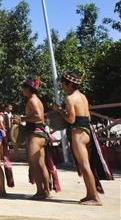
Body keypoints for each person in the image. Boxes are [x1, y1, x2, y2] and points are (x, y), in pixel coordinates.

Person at [52, 71, 113, 206]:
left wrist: (59, 110)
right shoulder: (83, 97)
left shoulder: (70, 99)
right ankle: (90, 194)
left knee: (85, 166)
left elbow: (71, 119)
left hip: (78, 134)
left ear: (69, 84)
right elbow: (88, 117)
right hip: (87, 132)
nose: (63, 86)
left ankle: (95, 197)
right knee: (87, 165)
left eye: (64, 83)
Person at [22, 77, 60, 200]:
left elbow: (38, 117)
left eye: (24, 88)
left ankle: (40, 191)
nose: (22, 90)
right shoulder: (36, 100)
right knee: (41, 164)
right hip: (40, 133)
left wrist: (22, 119)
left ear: (28, 89)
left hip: (36, 134)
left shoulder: (32, 101)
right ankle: (46, 192)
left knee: (35, 164)